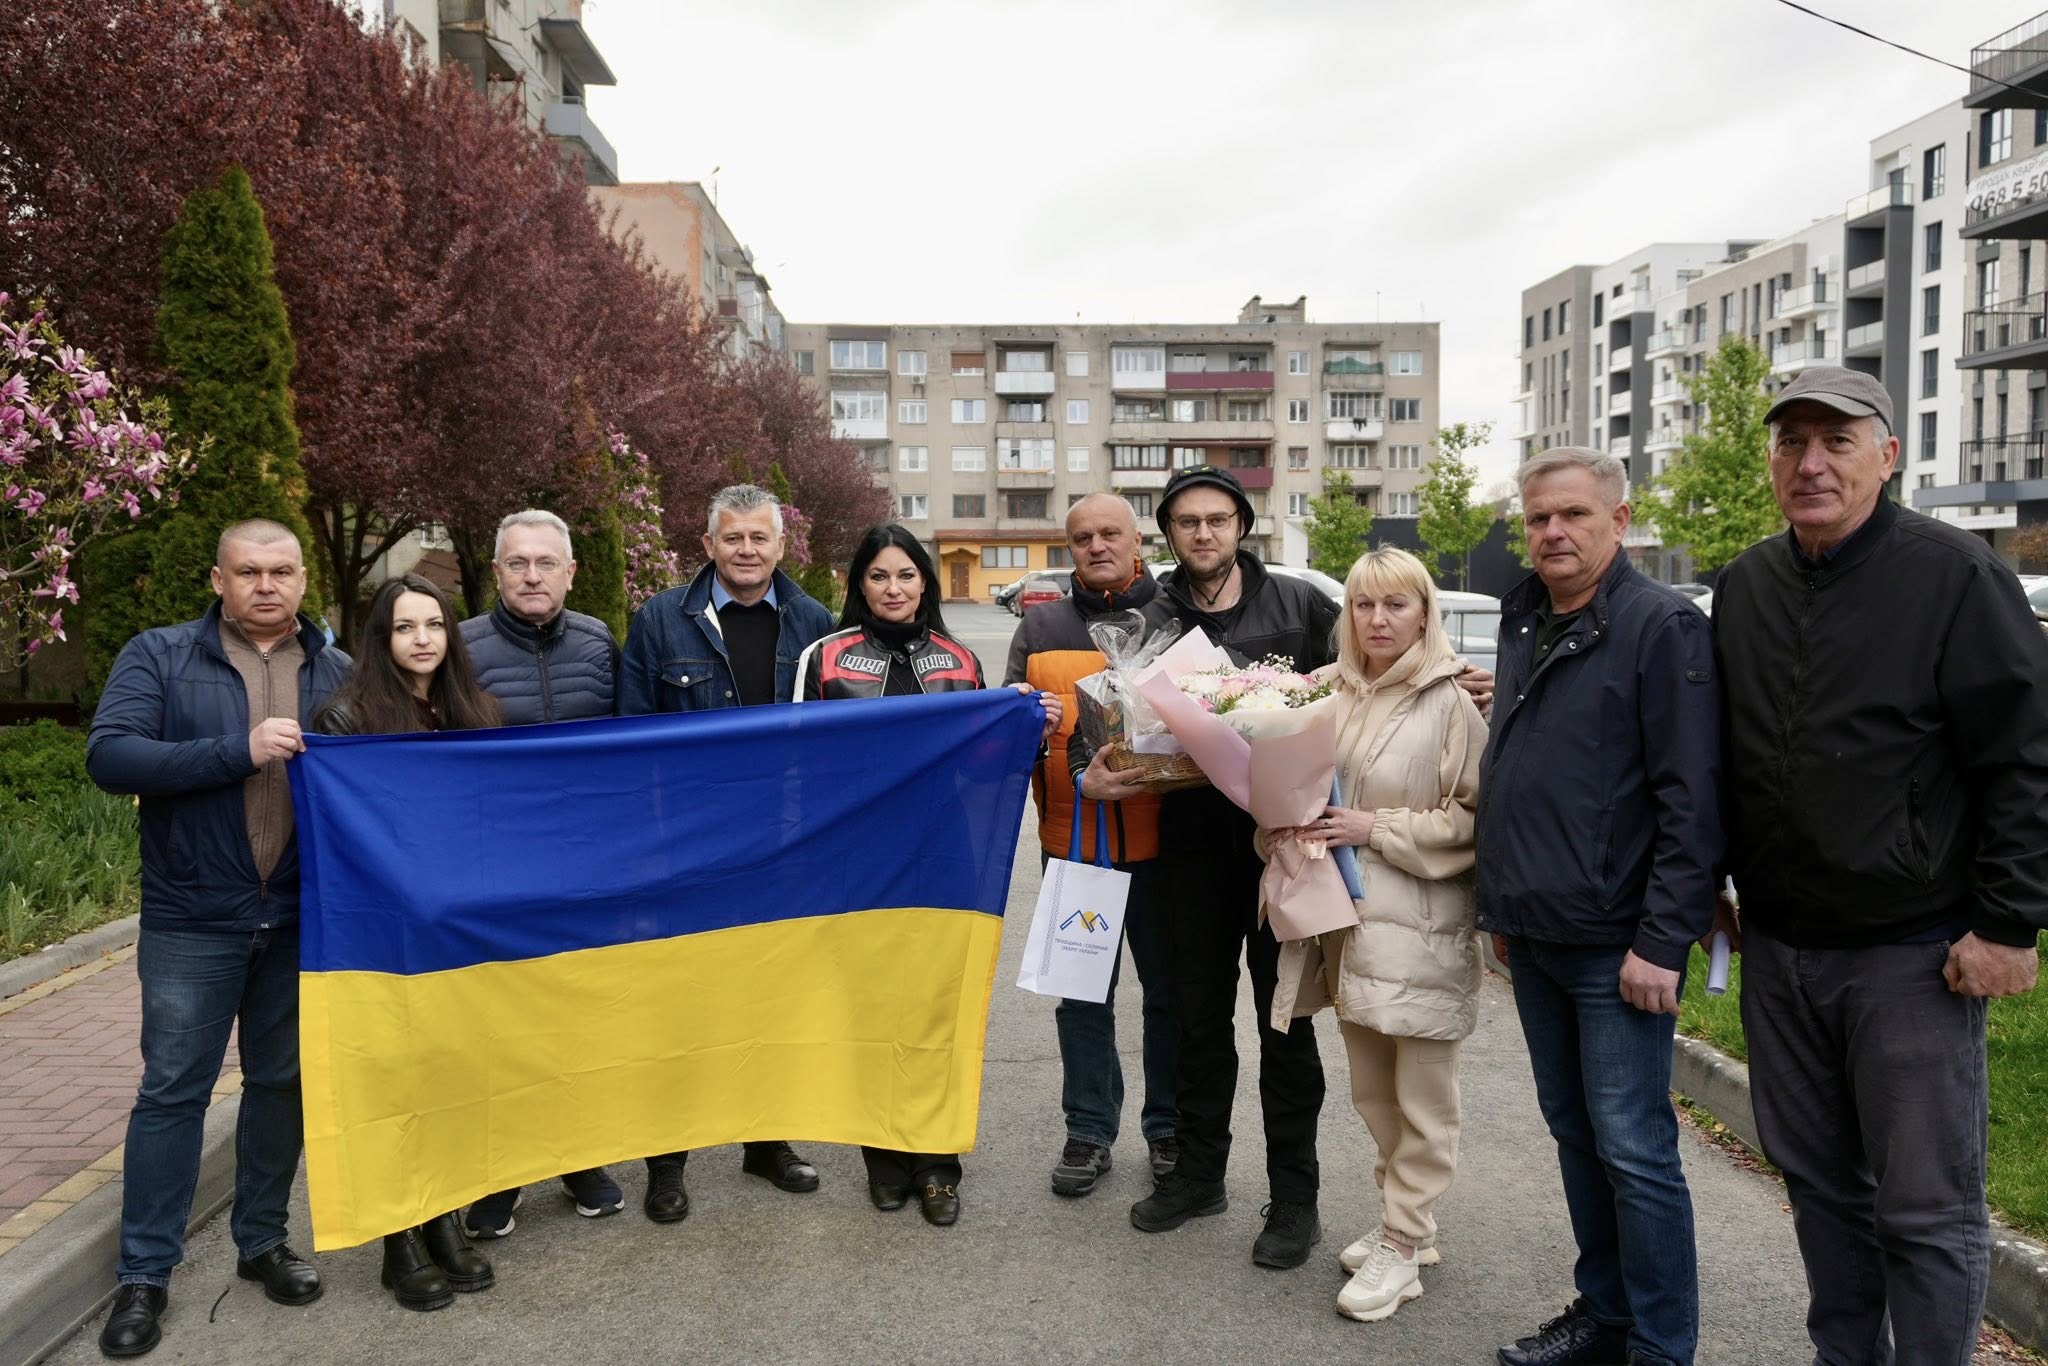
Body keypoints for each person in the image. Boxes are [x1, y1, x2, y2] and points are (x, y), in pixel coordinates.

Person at [1713, 368, 2048, 1365]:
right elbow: (1724, 753)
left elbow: (2023, 757)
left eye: (1836, 441)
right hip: (1779, 950)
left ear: (1886, 455)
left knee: (1924, 1208)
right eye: (1790, 443)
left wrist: (2007, 923)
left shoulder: (1953, 577)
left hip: (1911, 954)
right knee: (1819, 1191)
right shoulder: (1743, 586)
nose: (1809, 462)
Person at [1476, 448, 1722, 1366]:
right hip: (1535, 928)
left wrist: (1663, 938)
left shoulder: (1663, 627)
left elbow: (1692, 797)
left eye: (1574, 515)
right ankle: (1605, 1315)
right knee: (1577, 1135)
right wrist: (1501, 905)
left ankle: (1661, 1345)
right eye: (1538, 518)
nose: (1553, 533)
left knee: (1635, 1149)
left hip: (1616, 942)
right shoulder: (1524, 614)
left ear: (1619, 522)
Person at [86, 520, 351, 1359]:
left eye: (280, 572)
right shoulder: (160, 656)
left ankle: (262, 1242)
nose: (265, 585)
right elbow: (113, 756)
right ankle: (145, 1273)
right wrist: (235, 752)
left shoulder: (338, 671)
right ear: (217, 579)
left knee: (281, 1083)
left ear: (304, 580)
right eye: (248, 572)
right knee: (173, 1092)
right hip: (195, 914)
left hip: (304, 913)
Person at [795, 522, 1060, 1227]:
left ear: (925, 584)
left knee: (938, 1013)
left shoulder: (960, 659)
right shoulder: (823, 658)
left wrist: (1030, 722)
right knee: (871, 1013)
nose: (893, 588)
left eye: (906, 576)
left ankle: (939, 1164)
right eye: (879, 576)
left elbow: (985, 764)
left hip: (945, 859)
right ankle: (883, 1156)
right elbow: (795, 764)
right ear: (858, 585)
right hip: (857, 865)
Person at [1259, 546, 1486, 1324]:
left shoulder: (1452, 702)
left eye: (1396, 604)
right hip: (1345, 928)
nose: (1378, 619)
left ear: (1426, 611)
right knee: (1372, 1094)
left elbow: (1473, 817)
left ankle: (1404, 1237)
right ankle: (1408, 1228)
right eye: (1364, 604)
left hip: (1421, 926)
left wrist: (1371, 827)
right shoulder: (1327, 694)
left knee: (1423, 1098)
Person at [1127, 465, 1340, 1269]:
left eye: (1218, 519)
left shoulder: (1300, 604)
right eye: (1187, 522)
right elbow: (1123, 722)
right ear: (1170, 533)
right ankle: (1200, 1174)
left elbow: (1351, 688)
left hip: (1282, 847)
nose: (1204, 534)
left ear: (1242, 526)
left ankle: (1294, 1199)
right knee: (1196, 1022)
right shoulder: (1150, 616)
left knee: (1285, 1024)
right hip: (1188, 849)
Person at [617, 484, 835, 1221]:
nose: (747, 550)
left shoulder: (814, 624)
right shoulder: (659, 620)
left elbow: (843, 743)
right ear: (706, 546)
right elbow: (630, 737)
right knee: (677, 1008)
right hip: (686, 849)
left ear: (781, 547)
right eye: (732, 538)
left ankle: (766, 1143)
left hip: (781, 847)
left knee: (769, 999)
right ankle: (666, 1161)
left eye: (760, 539)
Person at [312, 574, 502, 1312]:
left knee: (452, 1079)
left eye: (433, 624)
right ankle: (399, 1244)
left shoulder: (478, 712)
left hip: (460, 934)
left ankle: (445, 1222)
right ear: (379, 638)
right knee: (396, 1087)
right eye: (403, 627)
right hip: (383, 940)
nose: (421, 638)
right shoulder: (346, 719)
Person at [1001, 492, 1178, 1199]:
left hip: (1168, 844)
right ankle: (1088, 1128)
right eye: (1082, 538)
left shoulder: (1176, 615)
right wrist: (1017, 712)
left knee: (1168, 996)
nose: (1096, 545)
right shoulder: (1040, 625)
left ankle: (1167, 1129)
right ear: (1068, 547)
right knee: (1081, 992)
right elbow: (1009, 727)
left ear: (1137, 541)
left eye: (1110, 533)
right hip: (1072, 842)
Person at [456, 510, 624, 1236]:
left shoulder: (598, 642)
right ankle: (503, 1173)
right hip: (494, 869)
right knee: (501, 1026)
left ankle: (580, 1157)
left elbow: (629, 746)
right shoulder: (458, 647)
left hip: (585, 865)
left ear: (570, 572)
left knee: (576, 1021)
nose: (532, 575)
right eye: (517, 563)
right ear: (497, 573)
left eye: (545, 563)